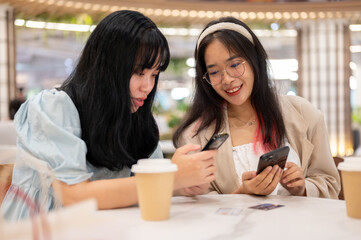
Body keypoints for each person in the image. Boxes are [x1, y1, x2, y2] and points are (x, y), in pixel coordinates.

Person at [1, 10, 217, 221]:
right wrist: (170, 178)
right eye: (139, 72)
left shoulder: (137, 120)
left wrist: (181, 186)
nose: (148, 86)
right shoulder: (54, 107)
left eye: (154, 74)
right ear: (106, 68)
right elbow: (74, 196)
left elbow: (138, 187)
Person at [173, 17, 340, 198]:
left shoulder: (303, 114)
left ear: (255, 60)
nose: (227, 79)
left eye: (235, 65)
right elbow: (195, 206)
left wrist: (302, 187)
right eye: (214, 72)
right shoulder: (195, 137)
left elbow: (330, 184)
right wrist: (242, 194)